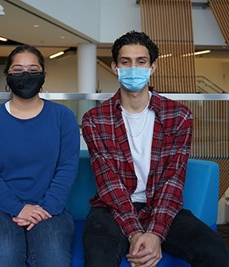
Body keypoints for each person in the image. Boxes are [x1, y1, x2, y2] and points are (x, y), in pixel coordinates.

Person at [82, 31, 229, 267]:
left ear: (152, 68)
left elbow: (173, 179)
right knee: (99, 256)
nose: (133, 68)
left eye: (141, 62)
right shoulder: (95, 119)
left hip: (160, 205)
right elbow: (108, 183)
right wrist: (135, 233)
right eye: (125, 62)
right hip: (111, 209)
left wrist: (155, 233)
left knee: (215, 251)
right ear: (114, 67)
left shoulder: (178, 115)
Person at [0, 44, 80, 266]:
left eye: (33, 69)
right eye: (18, 70)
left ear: (43, 75)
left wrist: (45, 208)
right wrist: (18, 208)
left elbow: (67, 168)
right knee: (5, 254)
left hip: (50, 208)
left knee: (54, 259)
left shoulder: (63, 117)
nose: (25, 75)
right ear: (7, 75)